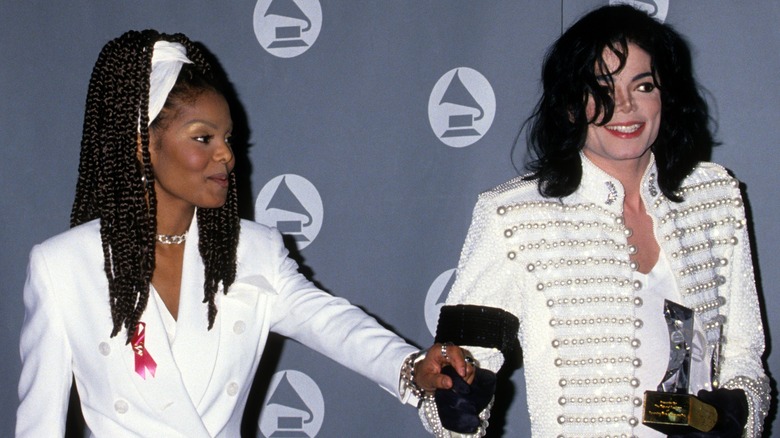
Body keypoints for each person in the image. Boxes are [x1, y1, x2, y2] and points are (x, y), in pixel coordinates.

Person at [16, 29, 471, 437]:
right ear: (143, 145)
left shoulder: (251, 250)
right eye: (203, 138)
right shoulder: (62, 266)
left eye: (227, 138)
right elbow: (39, 424)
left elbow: (331, 323)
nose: (226, 156)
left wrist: (410, 366)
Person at [423, 5, 770, 437]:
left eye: (642, 85)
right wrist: (455, 398)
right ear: (570, 105)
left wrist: (736, 415)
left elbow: (743, 356)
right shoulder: (513, 215)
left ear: (665, 96)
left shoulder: (715, 197)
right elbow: (455, 374)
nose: (624, 106)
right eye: (601, 88)